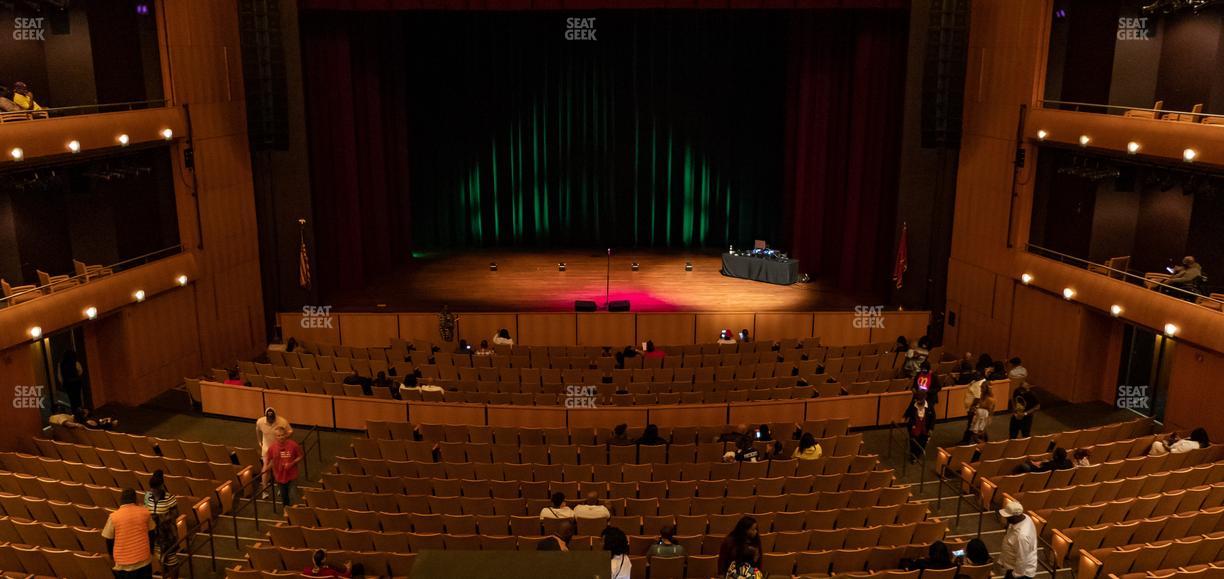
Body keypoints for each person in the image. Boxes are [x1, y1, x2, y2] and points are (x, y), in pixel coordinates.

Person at [102, 488, 155, 578]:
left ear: (121, 501)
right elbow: (152, 534)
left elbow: (108, 538)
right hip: (144, 560)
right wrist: (151, 551)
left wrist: (111, 555)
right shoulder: (145, 513)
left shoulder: (114, 517)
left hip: (123, 563)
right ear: (136, 499)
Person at [144, 470, 181, 566]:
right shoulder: (148, 497)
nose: (153, 491)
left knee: (171, 559)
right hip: (154, 534)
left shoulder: (170, 498)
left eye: (155, 488)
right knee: (159, 558)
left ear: (161, 487)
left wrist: (159, 518)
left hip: (167, 534)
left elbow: (175, 514)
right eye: (152, 488)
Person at [263, 426, 303, 506]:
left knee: (293, 494)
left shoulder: (293, 445)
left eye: (282, 435)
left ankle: (298, 511)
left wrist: (292, 463)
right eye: (278, 436)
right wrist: (265, 466)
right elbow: (268, 457)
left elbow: (301, 456)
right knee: (284, 496)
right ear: (275, 437)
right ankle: (286, 510)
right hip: (279, 476)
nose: (281, 437)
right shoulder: (272, 448)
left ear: (286, 435)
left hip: (292, 475)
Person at [998, 499, 1038, 579]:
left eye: (1008, 517)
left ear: (1016, 516)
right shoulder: (1025, 517)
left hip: (1020, 573)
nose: (1006, 519)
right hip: (1013, 567)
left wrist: (1015, 575)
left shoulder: (1022, 536)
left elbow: (1022, 558)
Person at [904, 394, 934, 464]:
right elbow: (908, 412)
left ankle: (918, 455)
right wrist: (905, 418)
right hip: (914, 427)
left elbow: (933, 418)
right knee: (913, 443)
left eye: (920, 401)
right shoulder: (913, 404)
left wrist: (931, 429)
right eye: (917, 401)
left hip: (925, 428)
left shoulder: (929, 405)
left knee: (922, 443)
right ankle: (914, 456)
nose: (918, 403)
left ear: (924, 399)